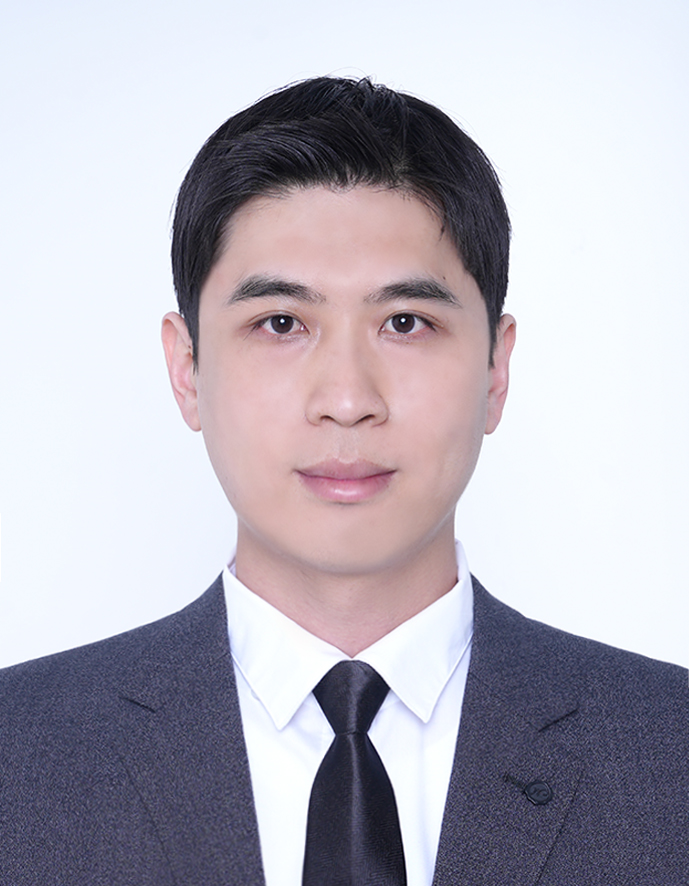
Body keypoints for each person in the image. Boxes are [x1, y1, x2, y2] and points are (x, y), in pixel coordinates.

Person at [0, 77, 686, 886]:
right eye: (280, 323)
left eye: (405, 323)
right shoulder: (20, 754)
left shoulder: (666, 753)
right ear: (186, 369)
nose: (348, 400)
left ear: (495, 370)